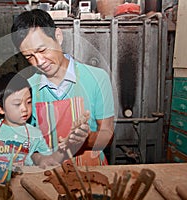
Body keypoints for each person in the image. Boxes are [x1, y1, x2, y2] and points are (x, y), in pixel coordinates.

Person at [11, 9, 115, 166]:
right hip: (48, 169)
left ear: (58, 36)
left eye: (42, 50)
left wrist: (86, 139)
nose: (39, 62)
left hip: (90, 167)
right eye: (29, 57)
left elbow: (107, 133)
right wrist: (40, 158)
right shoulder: (28, 88)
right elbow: (25, 142)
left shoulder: (97, 78)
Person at [0, 72, 67, 167]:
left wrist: (61, 150)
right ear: (0, 108)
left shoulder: (35, 134)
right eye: (17, 104)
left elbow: (47, 159)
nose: (24, 109)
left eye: (28, 102)